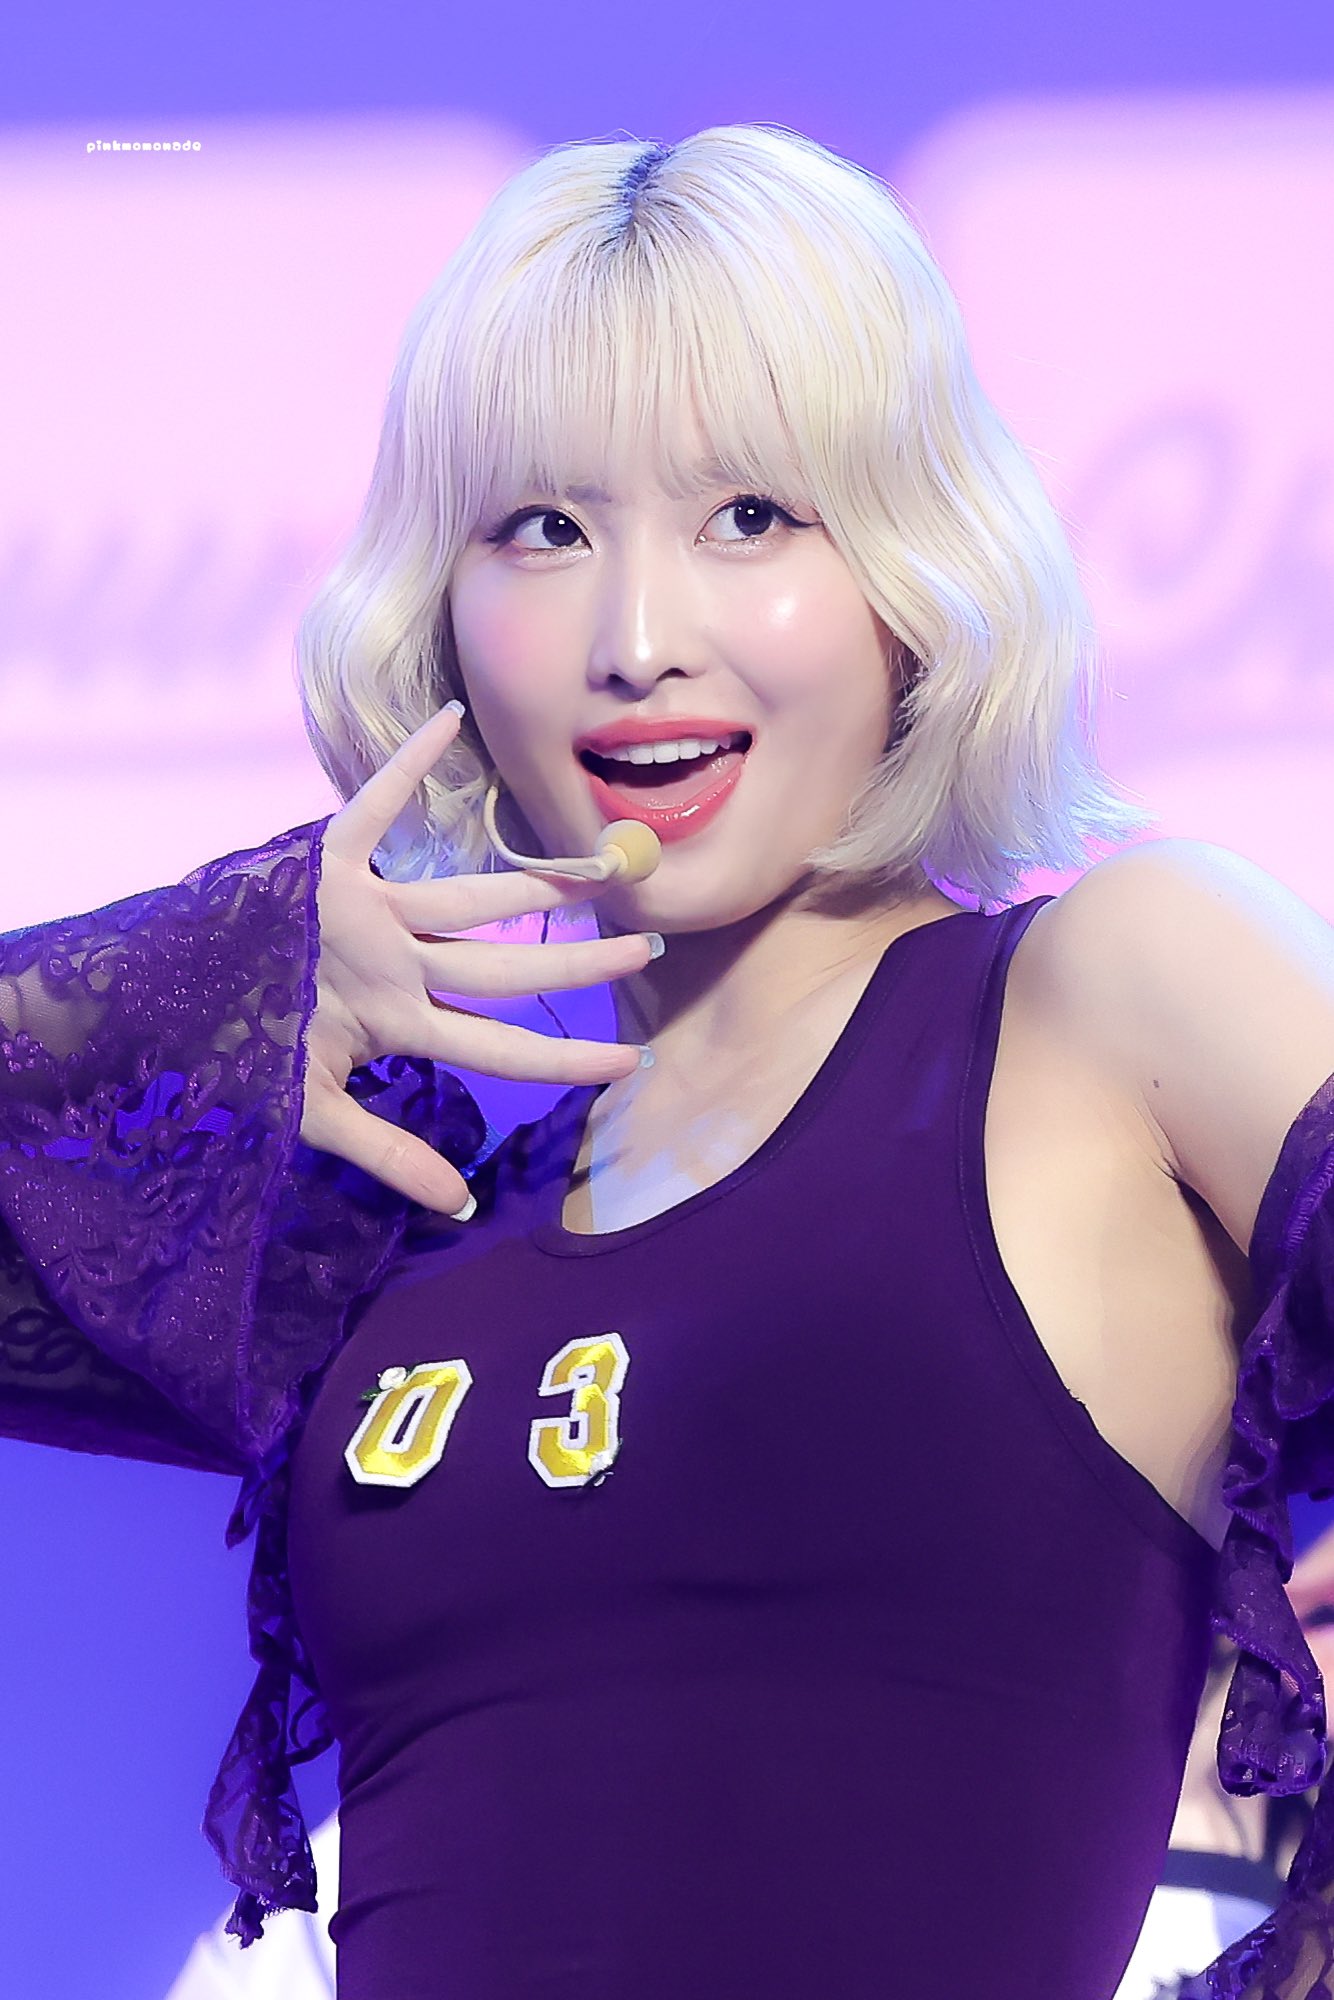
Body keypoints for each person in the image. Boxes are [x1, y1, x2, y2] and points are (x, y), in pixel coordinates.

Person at [3, 121, 1334, 2000]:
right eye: (542, 530)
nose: (635, 641)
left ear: (910, 569)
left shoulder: (1104, 996)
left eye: (752, 515)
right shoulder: (389, 1232)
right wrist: (223, 975)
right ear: (441, 612)